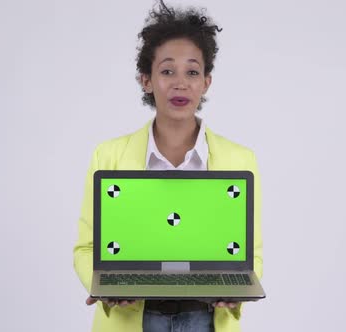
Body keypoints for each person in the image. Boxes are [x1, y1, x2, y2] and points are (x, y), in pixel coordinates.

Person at [73, 1, 263, 331]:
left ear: (206, 83)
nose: (180, 83)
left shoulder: (239, 159)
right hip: (132, 318)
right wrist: (103, 284)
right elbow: (86, 248)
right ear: (146, 80)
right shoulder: (110, 156)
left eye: (192, 71)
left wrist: (237, 289)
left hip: (205, 318)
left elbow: (251, 254)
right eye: (166, 71)